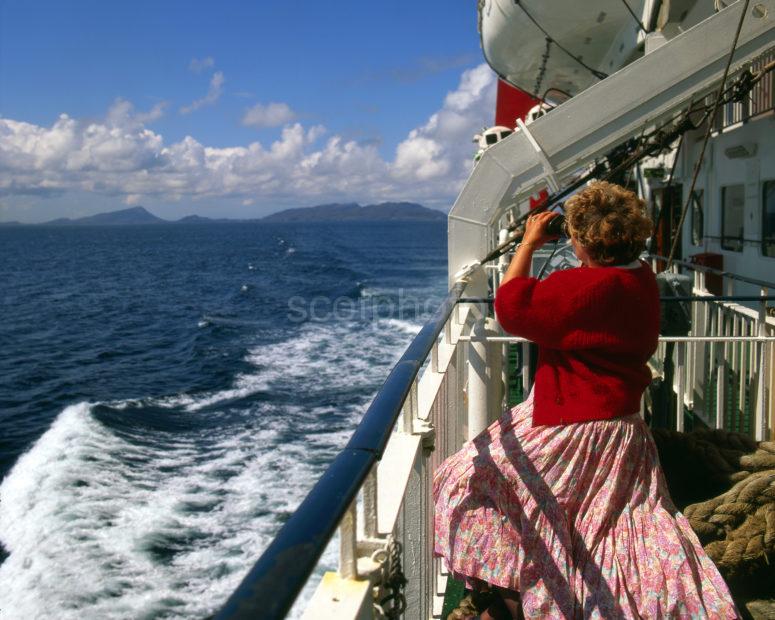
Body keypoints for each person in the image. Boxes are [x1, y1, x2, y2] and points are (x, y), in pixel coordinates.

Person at [433, 181, 738, 619]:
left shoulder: (579, 286)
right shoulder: (641, 280)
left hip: (573, 425)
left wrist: (527, 244)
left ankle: (528, 591)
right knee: (601, 527)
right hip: (622, 427)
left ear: (580, 242)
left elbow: (512, 308)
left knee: (463, 478)